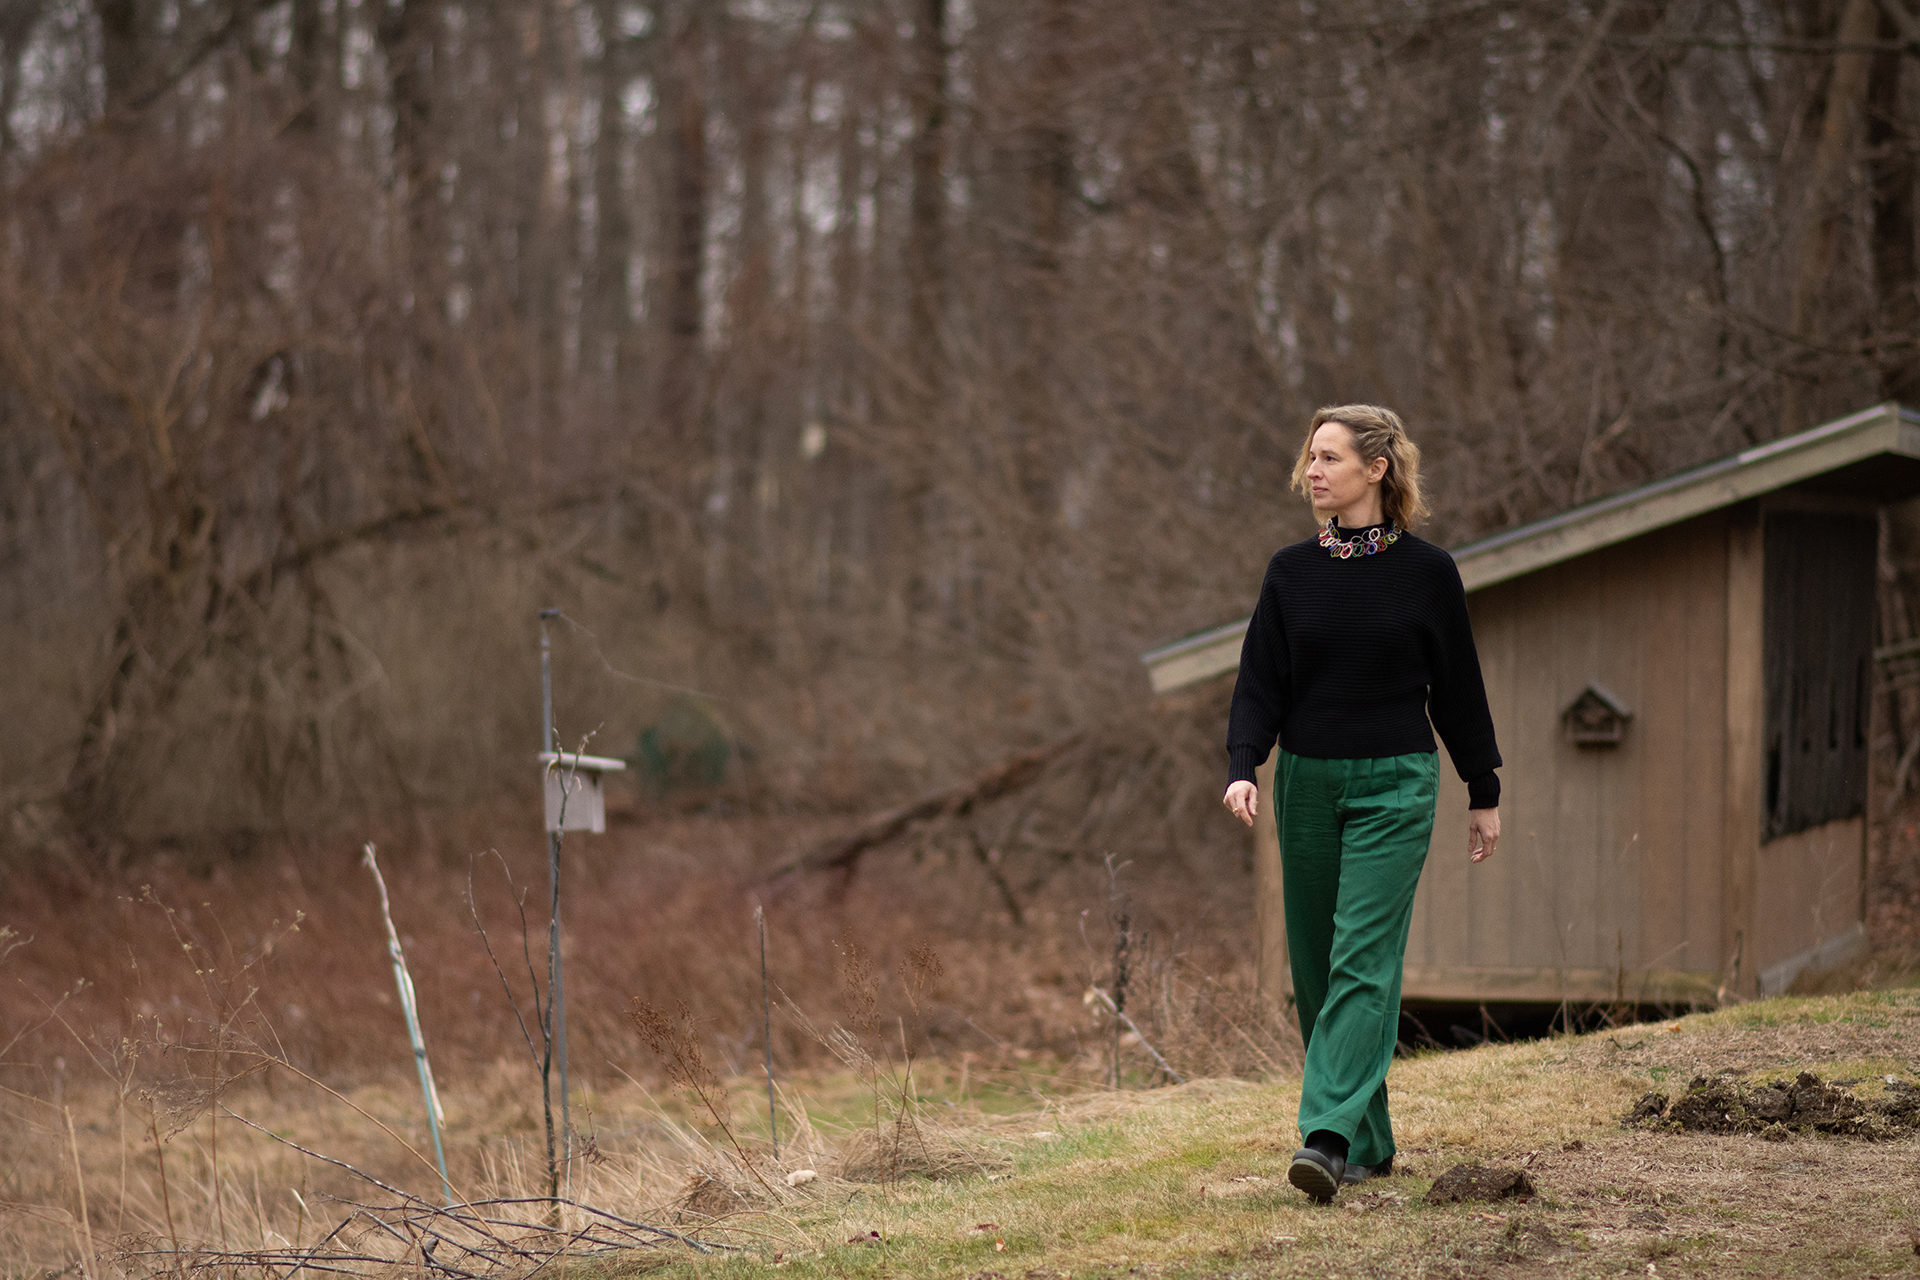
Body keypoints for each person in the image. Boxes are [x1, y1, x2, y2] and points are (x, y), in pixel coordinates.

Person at [1223, 404, 1502, 1204]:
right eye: (1310, 458)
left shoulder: (1427, 573)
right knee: (1316, 970)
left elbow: (1459, 689)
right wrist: (1246, 764)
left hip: (1395, 784)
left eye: (1329, 458)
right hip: (1306, 781)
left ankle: (1325, 1138)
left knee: (1361, 960)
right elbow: (1259, 683)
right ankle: (1370, 1141)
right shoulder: (1290, 572)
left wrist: (1482, 787)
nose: (1312, 471)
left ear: (1377, 469)